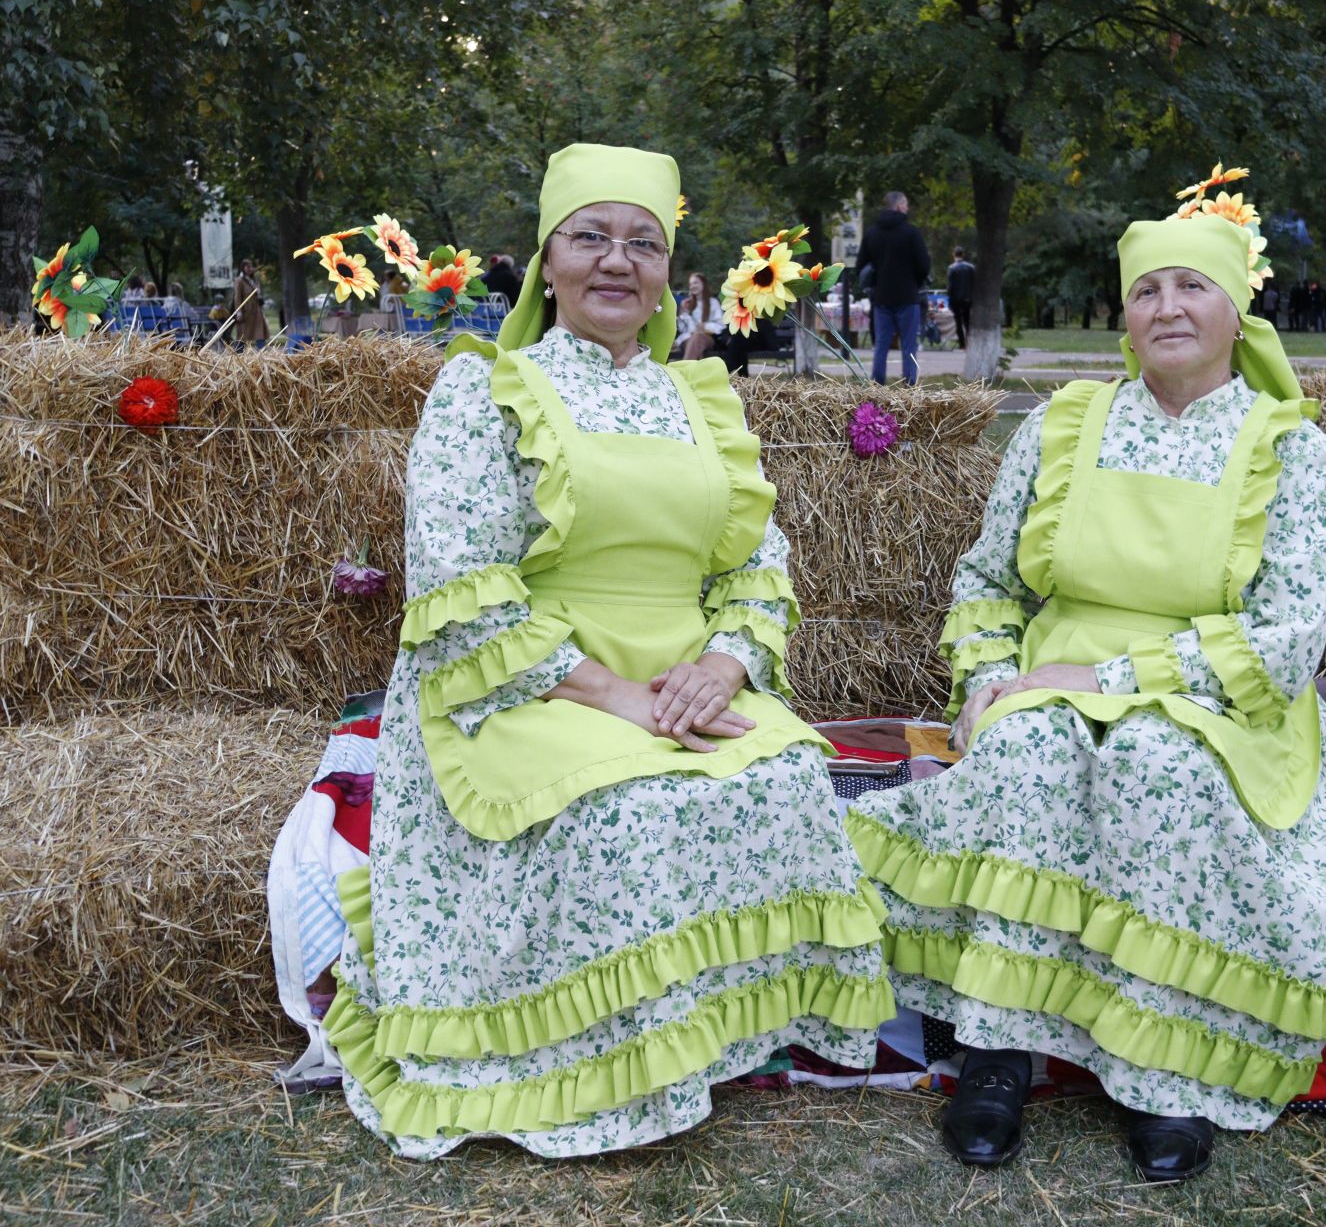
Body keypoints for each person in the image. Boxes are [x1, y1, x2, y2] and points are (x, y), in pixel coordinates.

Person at [321, 142, 893, 1160]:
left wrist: (724, 663)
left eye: (643, 242)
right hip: (523, 682)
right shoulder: (485, 390)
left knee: (789, 771)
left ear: (670, 269)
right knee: (629, 812)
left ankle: (704, 1035)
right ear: (547, 261)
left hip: (679, 675)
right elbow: (460, 585)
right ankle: (590, 1063)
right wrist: (614, 695)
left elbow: (759, 561)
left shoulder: (699, 400)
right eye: (590, 237)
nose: (616, 262)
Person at [848, 201, 1326, 1184]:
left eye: (1191, 285)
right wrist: (990, 675)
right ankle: (997, 1044)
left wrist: (1110, 679)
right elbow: (989, 580)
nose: (1167, 307)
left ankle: (1158, 1063)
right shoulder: (1063, 424)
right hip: (1054, 671)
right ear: (1124, 315)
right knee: (1029, 751)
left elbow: (1288, 638)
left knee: (1154, 763)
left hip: (1217, 695)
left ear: (1235, 308)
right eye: (1146, 290)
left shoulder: (1289, 448)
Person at [854, 191, 931, 386]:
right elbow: (923, 264)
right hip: (907, 296)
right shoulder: (911, 232)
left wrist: (873, 286)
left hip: (881, 297)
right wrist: (915, 282)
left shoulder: (872, 232)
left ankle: (878, 383)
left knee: (881, 344)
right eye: (905, 204)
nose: (907, 208)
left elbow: (860, 265)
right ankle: (909, 384)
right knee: (908, 345)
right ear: (898, 206)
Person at [672, 270, 720, 361]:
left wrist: (705, 326)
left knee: (698, 337)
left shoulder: (713, 303)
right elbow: (682, 329)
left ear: (703, 284)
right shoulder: (687, 304)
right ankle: (695, 372)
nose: (692, 286)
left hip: (708, 338)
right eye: (690, 284)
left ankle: (684, 367)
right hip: (688, 338)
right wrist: (683, 312)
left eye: (695, 283)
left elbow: (720, 325)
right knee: (696, 344)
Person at [229, 259, 268, 346]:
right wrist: (239, 311)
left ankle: (261, 350)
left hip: (256, 310)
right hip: (245, 311)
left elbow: (258, 295)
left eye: (251, 267)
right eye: (247, 267)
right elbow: (237, 297)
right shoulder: (239, 280)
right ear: (243, 268)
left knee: (259, 331)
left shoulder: (254, 280)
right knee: (242, 334)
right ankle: (239, 353)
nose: (250, 269)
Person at [947, 248, 975, 349]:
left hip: (956, 299)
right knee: (967, 321)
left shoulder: (952, 268)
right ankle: (970, 342)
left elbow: (950, 286)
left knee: (958, 321)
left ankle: (962, 344)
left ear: (953, 254)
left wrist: (949, 299)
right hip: (968, 298)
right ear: (963, 254)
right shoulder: (971, 267)